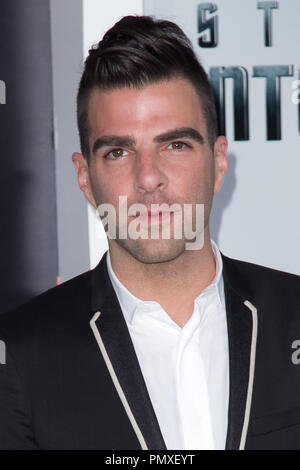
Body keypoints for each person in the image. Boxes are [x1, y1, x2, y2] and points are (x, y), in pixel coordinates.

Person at [0, 15, 300, 451]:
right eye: (119, 152)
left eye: (175, 145)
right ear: (84, 176)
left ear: (218, 161)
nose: (148, 178)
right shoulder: (19, 358)